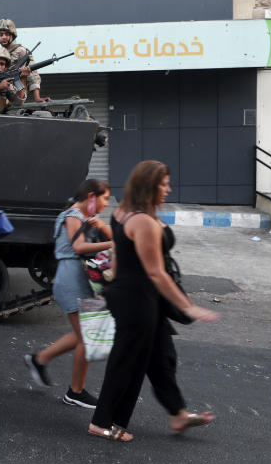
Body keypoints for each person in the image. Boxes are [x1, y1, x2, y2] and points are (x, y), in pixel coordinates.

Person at [88, 160, 219, 442]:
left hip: (135, 295)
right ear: (149, 186)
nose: (168, 189)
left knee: (162, 356)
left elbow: (119, 255)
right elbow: (156, 273)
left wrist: (111, 284)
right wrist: (189, 306)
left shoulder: (123, 212)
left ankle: (178, 415)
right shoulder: (144, 221)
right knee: (128, 363)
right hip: (139, 299)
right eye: (163, 184)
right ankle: (102, 422)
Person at [23, 179, 114, 408]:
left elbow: (114, 236)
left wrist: (102, 227)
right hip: (71, 280)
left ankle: (39, 359)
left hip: (85, 281)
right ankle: (75, 391)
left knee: (87, 333)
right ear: (92, 196)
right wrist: (110, 244)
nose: (105, 203)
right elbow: (79, 248)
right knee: (87, 336)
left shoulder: (84, 217)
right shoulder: (73, 215)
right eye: (104, 198)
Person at [0, 18, 49, 103]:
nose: (4, 37)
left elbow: (33, 75)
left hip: (16, 92)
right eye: (1, 35)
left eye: (7, 34)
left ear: (12, 35)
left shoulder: (21, 51)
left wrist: (37, 98)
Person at [0, 47, 26, 113]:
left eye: (2, 64)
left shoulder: (5, 81)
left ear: (6, 67)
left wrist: (23, 78)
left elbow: (18, 102)